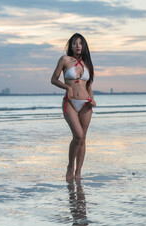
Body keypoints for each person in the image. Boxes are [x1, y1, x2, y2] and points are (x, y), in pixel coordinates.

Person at [51, 33, 96, 181]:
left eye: (81, 43)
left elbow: (89, 86)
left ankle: (78, 173)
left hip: (86, 105)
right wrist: (67, 88)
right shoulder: (64, 60)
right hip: (69, 103)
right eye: (75, 43)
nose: (78, 46)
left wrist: (92, 99)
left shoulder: (87, 63)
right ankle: (70, 167)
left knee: (83, 139)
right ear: (70, 45)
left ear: (84, 46)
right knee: (78, 135)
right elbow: (53, 79)